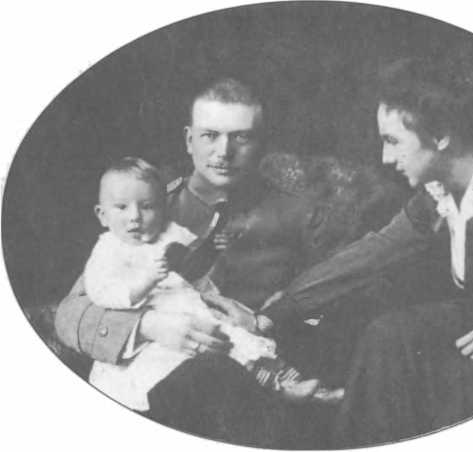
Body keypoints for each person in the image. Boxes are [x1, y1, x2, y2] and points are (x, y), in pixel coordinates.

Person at [222, 56, 473, 446]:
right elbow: (375, 251)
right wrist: (277, 312)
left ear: (440, 135)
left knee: (405, 358)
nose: (385, 158)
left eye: (393, 141)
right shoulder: (439, 193)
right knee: (386, 335)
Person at [55, 78, 345, 447]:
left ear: (262, 143)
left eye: (241, 137)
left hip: (252, 375)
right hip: (165, 376)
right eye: (210, 135)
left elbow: (333, 294)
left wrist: (271, 318)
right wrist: (146, 326)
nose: (224, 151)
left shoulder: (300, 213)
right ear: (189, 140)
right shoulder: (149, 210)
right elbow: (70, 313)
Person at [85, 157, 339, 412]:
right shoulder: (109, 250)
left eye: (147, 207)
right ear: (102, 215)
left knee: (239, 339)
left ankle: (298, 385)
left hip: (193, 307)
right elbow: (102, 293)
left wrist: (215, 249)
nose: (135, 217)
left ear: (160, 209)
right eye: (121, 207)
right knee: (220, 353)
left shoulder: (165, 236)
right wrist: (146, 281)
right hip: (157, 330)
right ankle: (279, 389)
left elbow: (193, 268)